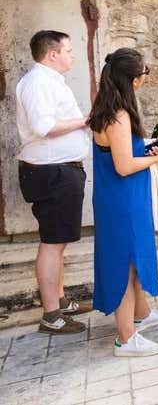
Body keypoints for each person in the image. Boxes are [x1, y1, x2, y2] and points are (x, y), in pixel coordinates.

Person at [88, 48, 158, 356]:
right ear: (133, 80)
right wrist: (155, 159)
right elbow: (123, 166)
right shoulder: (119, 116)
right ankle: (126, 337)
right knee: (125, 264)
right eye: (144, 74)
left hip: (118, 197)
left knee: (132, 259)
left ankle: (141, 314)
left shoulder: (107, 109)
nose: (146, 78)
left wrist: (145, 151)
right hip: (123, 199)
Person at [16, 30, 91, 334]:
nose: (72, 55)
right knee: (52, 243)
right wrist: (85, 121)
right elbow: (43, 125)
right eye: (69, 50)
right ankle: (51, 315)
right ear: (52, 54)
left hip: (59, 170)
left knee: (58, 243)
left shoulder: (47, 81)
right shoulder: (38, 83)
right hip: (51, 171)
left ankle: (59, 300)